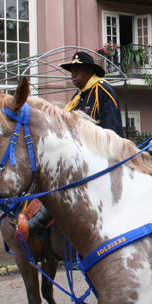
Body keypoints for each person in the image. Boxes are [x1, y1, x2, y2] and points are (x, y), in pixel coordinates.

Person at [27, 50, 126, 236]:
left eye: (77, 70)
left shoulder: (103, 90)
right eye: (71, 71)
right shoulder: (77, 98)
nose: (72, 74)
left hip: (97, 156)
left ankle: (42, 219)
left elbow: (112, 129)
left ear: (90, 70)